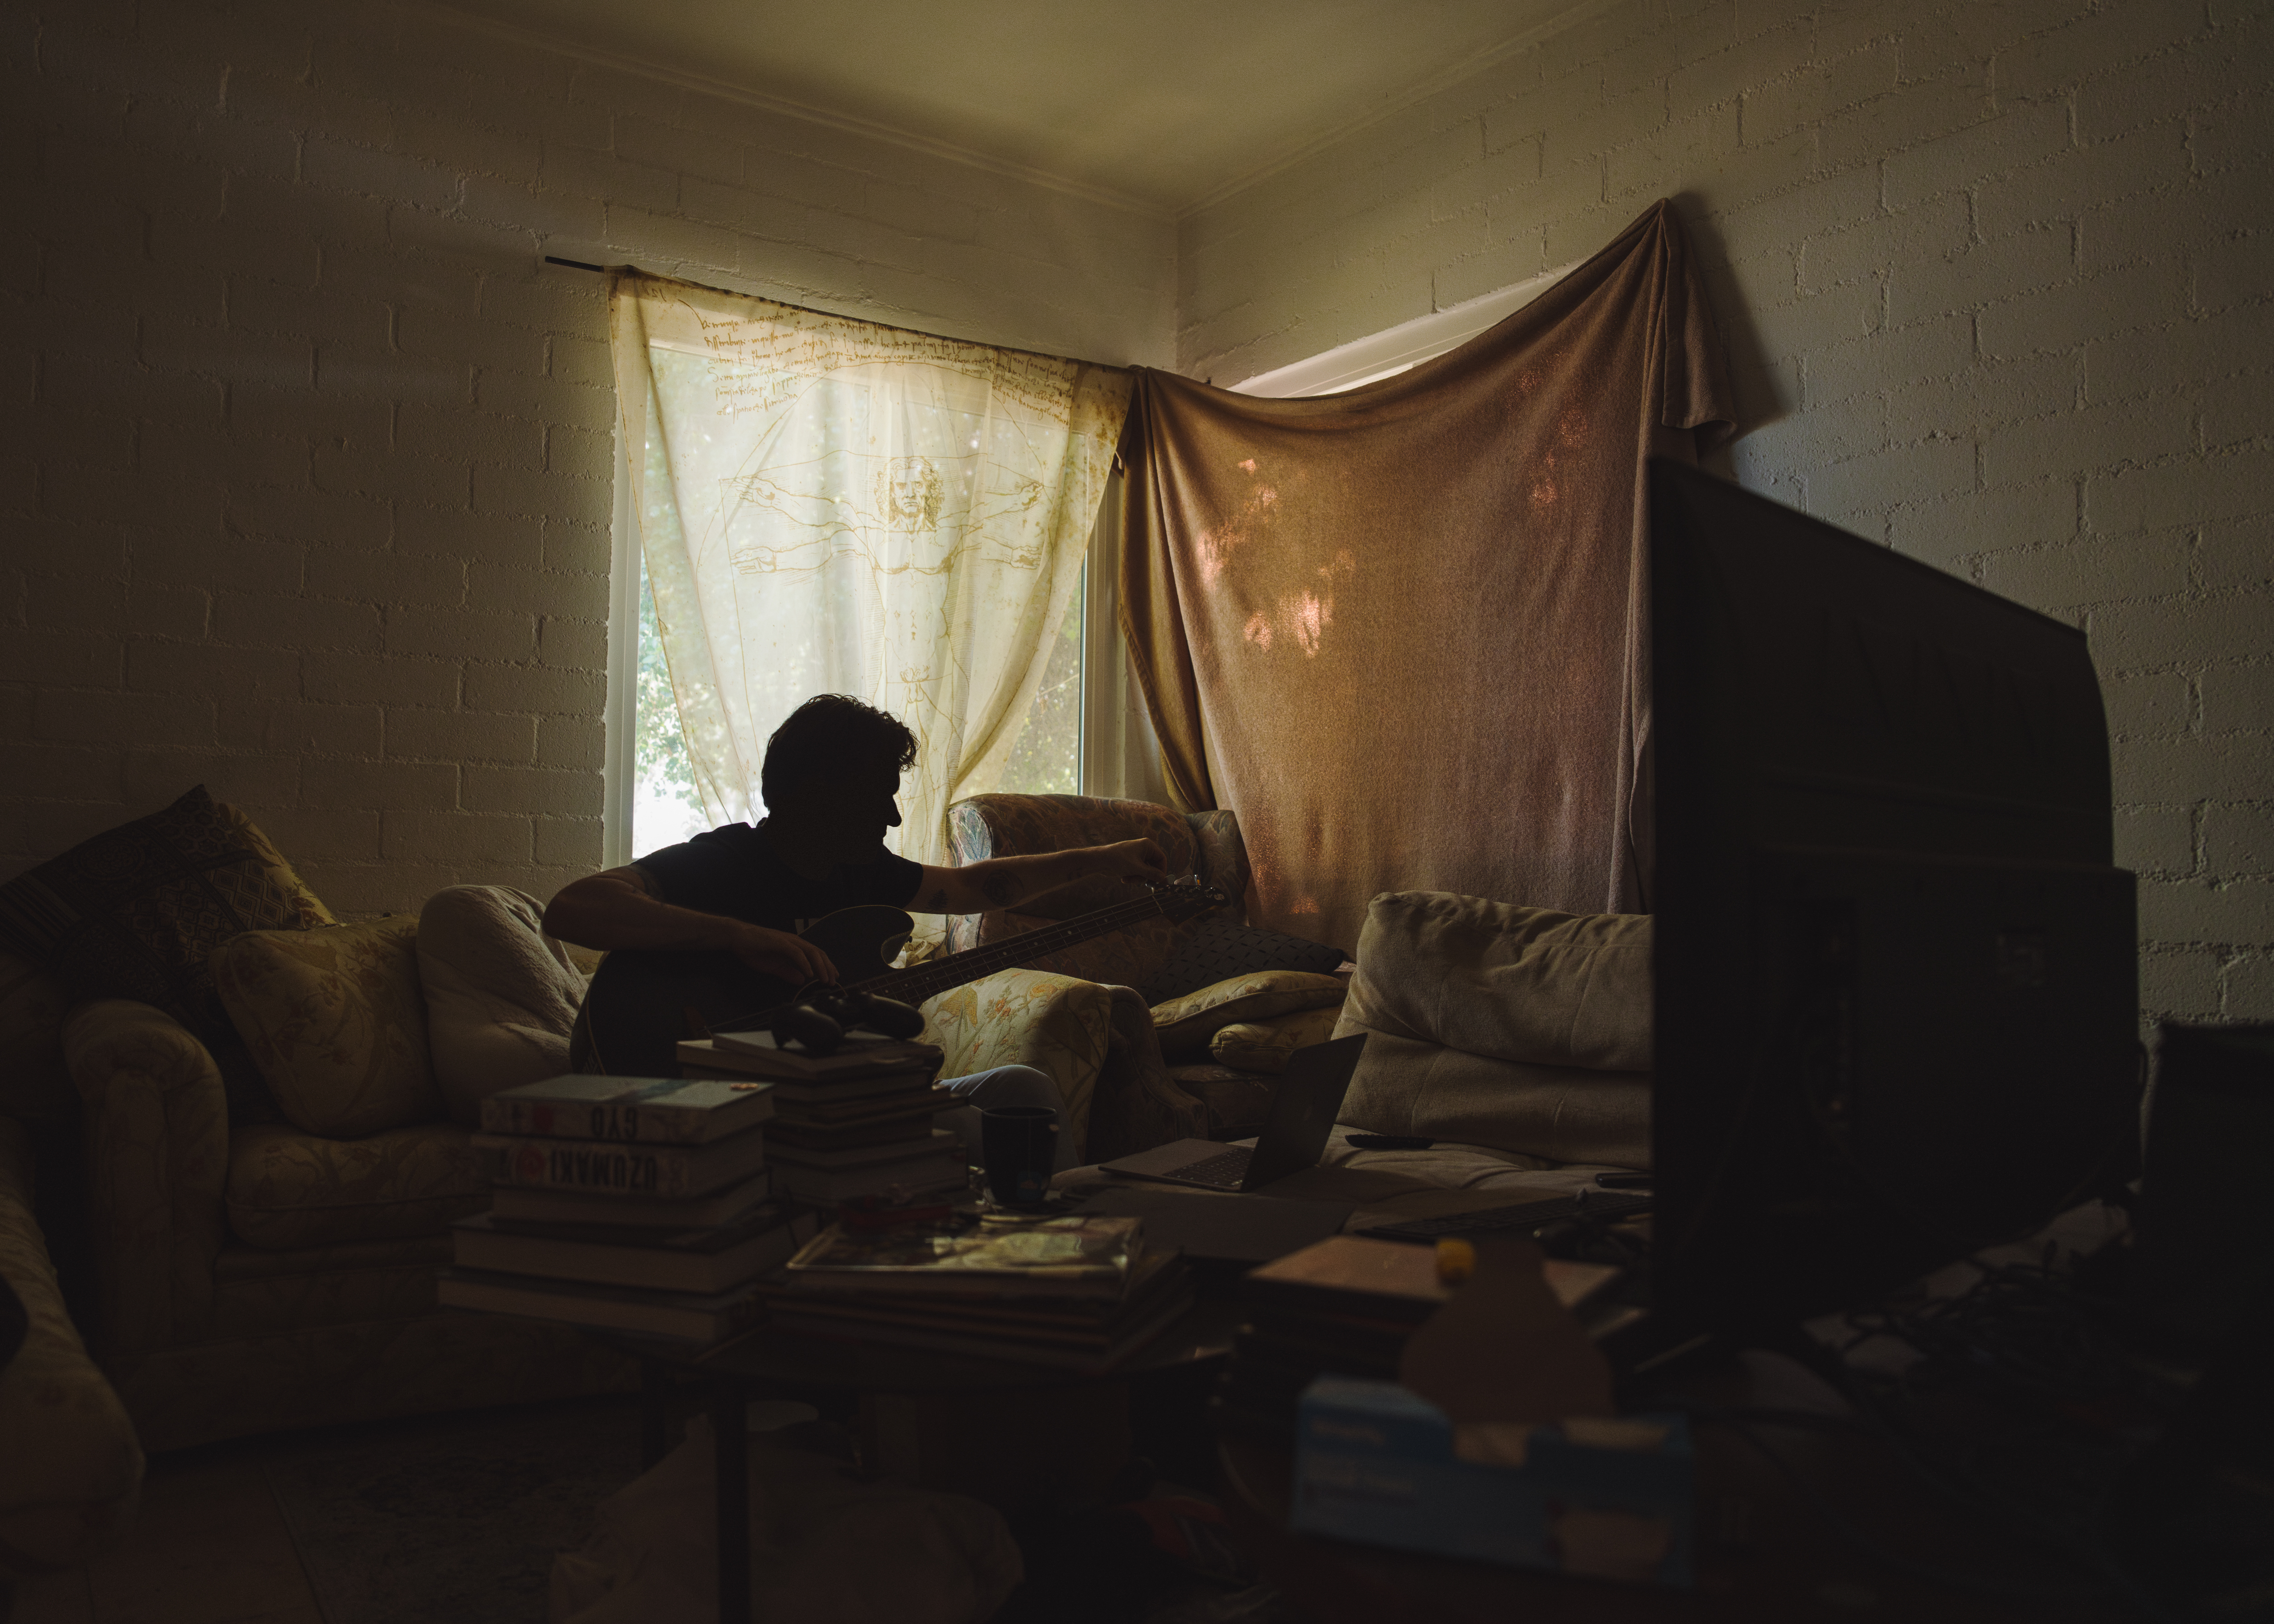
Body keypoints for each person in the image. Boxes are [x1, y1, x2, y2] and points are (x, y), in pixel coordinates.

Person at [543, 694, 1166, 1171]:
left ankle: (1054, 1259)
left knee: (1023, 1091)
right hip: (717, 1100)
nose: (894, 816)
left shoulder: (860, 874)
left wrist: (1105, 860)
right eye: (880, 796)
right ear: (820, 797)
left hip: (824, 1098)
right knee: (982, 1136)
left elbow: (979, 889)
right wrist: (739, 936)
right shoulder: (726, 861)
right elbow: (573, 908)